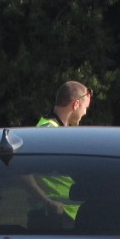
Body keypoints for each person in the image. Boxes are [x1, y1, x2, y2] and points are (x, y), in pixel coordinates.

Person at [32, 81, 93, 218]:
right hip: (53, 215)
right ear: (76, 104)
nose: (85, 113)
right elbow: (22, 173)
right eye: (85, 108)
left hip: (67, 212)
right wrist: (47, 202)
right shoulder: (48, 133)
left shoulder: (55, 131)